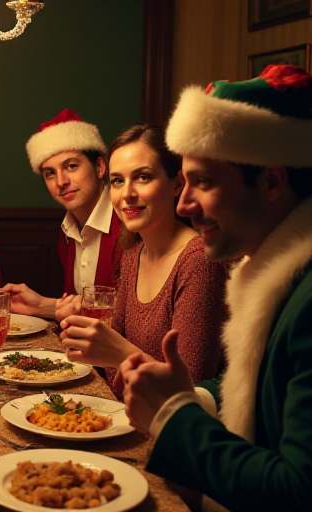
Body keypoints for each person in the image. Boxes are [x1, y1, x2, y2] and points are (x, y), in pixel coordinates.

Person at [119, 65, 312, 510]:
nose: (184, 203)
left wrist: (173, 417)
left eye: (202, 182)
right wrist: (195, 395)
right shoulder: (289, 262)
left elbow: (307, 496)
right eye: (183, 183)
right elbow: (263, 379)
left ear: (272, 181)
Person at [58, 125, 228, 396]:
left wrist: (119, 352)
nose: (127, 194)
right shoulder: (132, 257)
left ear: (177, 184)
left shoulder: (199, 262)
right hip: (132, 415)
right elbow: (113, 373)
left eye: (143, 177)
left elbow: (193, 388)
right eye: (117, 181)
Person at [2, 109, 123, 320]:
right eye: (50, 173)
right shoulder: (67, 231)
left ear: (100, 167)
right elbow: (81, 308)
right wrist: (42, 306)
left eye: (72, 166)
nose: (61, 182)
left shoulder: (127, 222)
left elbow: (137, 317)